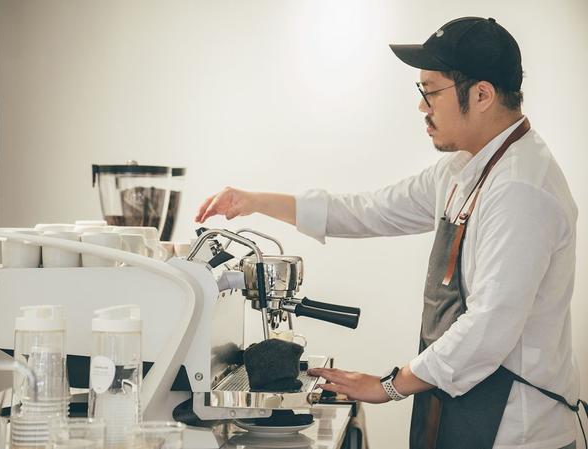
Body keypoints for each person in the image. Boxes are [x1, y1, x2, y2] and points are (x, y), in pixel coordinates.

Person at [194, 17, 586, 449]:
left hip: (516, 430)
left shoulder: (521, 189)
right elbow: (369, 210)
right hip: (460, 409)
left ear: (481, 95)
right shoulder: (463, 169)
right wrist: (254, 201)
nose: (422, 106)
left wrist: (389, 385)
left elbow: (489, 328)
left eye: (431, 91)